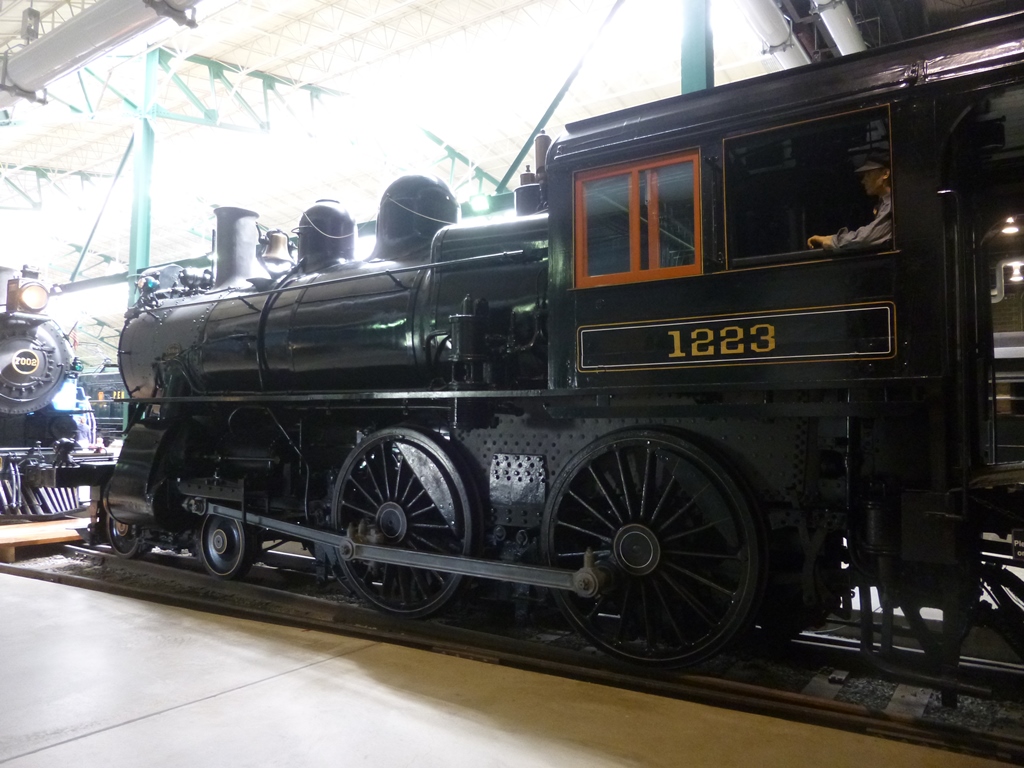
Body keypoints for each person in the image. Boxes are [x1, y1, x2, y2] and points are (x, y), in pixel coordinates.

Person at [807, 153, 892, 251]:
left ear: (885, 174)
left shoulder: (892, 204)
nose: (863, 181)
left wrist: (832, 240)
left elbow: (866, 238)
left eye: (868, 174)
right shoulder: (882, 204)